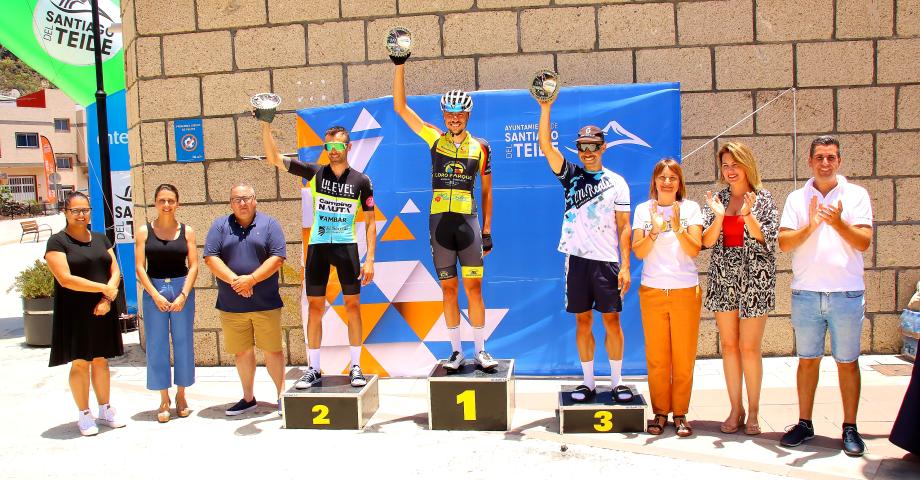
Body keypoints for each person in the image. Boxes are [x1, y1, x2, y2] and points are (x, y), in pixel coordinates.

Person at [391, 50, 497, 371]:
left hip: (468, 225)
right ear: (444, 116)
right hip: (439, 225)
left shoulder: (480, 147)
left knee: (474, 289)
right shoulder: (434, 139)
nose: (454, 119)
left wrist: (488, 231)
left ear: (467, 117)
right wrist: (400, 66)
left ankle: (480, 350)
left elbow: (488, 191)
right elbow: (401, 108)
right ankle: (455, 352)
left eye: (459, 115)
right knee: (449, 289)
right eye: (449, 114)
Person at [259, 120, 376, 388]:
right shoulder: (314, 173)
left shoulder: (362, 181)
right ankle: (314, 368)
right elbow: (274, 159)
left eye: (338, 145)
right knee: (314, 308)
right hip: (319, 248)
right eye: (329, 145)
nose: (333, 150)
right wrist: (266, 126)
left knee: (353, 308)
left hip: (347, 247)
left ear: (348, 146)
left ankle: (356, 366)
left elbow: (370, 223)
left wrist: (369, 259)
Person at [777, 136, 873, 456]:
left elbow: (863, 242)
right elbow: (786, 243)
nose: (825, 163)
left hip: (846, 294)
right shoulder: (796, 198)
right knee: (807, 361)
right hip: (806, 293)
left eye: (831, 157)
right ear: (810, 161)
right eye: (819, 157)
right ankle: (804, 423)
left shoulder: (857, 196)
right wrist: (815, 223)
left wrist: (837, 221)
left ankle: (850, 427)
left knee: (847, 362)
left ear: (839, 161)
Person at [535, 89, 632, 403]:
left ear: (603, 147)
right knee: (583, 320)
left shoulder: (618, 182)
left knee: (612, 321)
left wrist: (626, 266)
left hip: (607, 262)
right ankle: (589, 383)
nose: (588, 152)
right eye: (582, 147)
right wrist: (545, 106)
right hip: (576, 260)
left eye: (593, 146)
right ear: (577, 150)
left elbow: (624, 227)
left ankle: (617, 383)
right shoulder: (570, 176)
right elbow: (545, 146)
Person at [701, 142, 778, 435]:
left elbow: (766, 239)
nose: (730, 171)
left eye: (735, 164)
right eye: (725, 166)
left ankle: (755, 410)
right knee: (729, 346)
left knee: (749, 347)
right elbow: (706, 242)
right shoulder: (718, 199)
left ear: (747, 164)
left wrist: (747, 214)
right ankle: (736, 408)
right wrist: (720, 216)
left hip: (755, 280)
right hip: (724, 278)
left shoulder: (763, 198)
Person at [632, 159, 704, 436]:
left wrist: (676, 226)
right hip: (652, 290)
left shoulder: (691, 209)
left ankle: (681, 413)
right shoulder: (643, 210)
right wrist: (654, 229)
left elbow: (694, 248)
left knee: (683, 357)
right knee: (658, 358)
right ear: (654, 181)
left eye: (672, 177)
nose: (667, 182)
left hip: (685, 290)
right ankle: (660, 412)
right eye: (662, 177)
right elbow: (639, 251)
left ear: (679, 182)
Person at [45, 192, 125, 436]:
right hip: (75, 311)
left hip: (103, 308)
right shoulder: (57, 242)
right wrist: (104, 289)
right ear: (66, 212)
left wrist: (107, 298)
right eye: (75, 211)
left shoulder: (101, 239)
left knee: (101, 360)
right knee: (80, 363)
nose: (81, 215)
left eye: (85, 210)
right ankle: (84, 414)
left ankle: (105, 408)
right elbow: (65, 279)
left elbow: (115, 270)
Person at [203, 183, 287, 416]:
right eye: (237, 199)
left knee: (273, 351)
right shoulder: (219, 226)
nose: (242, 203)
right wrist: (236, 281)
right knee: (242, 352)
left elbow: (278, 257)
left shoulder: (270, 225)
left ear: (255, 200)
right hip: (232, 305)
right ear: (230, 203)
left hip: (266, 303)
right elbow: (210, 258)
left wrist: (250, 279)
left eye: (247, 198)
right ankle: (248, 398)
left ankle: (281, 396)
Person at [134, 184, 199, 423]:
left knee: (183, 341)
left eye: (171, 200)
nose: (166, 205)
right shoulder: (143, 231)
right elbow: (140, 266)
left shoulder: (187, 231)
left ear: (177, 203)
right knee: (157, 343)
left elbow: (193, 265)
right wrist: (154, 294)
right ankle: (164, 398)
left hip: (182, 288)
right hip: (155, 289)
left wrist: (183, 294)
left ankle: (182, 395)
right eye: (162, 200)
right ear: (155, 203)